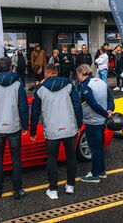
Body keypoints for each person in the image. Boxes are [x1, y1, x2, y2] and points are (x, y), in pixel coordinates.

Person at [30, 64, 82, 199]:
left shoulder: (40, 90)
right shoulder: (69, 85)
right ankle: (70, 185)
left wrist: (32, 131)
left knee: (52, 158)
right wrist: (79, 123)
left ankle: (53, 189)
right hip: (70, 128)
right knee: (71, 157)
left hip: (52, 130)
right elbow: (77, 105)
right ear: (56, 73)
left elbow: (35, 113)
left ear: (46, 74)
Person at [0, 57, 29, 200]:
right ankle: (17, 189)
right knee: (16, 159)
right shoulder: (18, 84)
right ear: (10, 67)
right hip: (14, 127)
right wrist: (25, 125)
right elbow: (23, 106)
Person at [77, 64, 114, 183]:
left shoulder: (85, 86)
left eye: (78, 75)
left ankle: (94, 175)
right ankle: (102, 171)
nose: (78, 78)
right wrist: (110, 110)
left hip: (92, 122)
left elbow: (93, 104)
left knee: (94, 149)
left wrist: (105, 113)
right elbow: (110, 98)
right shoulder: (101, 82)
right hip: (102, 122)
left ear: (81, 73)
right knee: (99, 148)